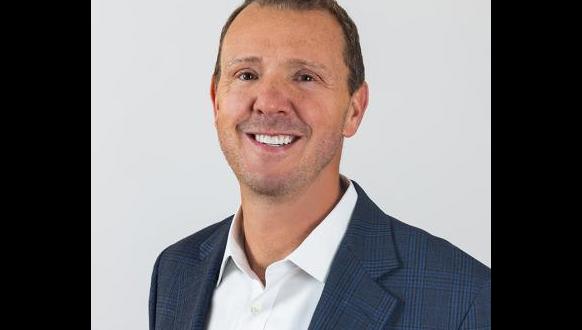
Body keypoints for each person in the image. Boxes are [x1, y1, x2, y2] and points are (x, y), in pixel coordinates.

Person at [148, 0, 491, 329]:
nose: (269, 103)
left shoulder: (464, 300)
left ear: (354, 110)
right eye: (247, 74)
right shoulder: (176, 272)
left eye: (305, 77)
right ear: (215, 100)